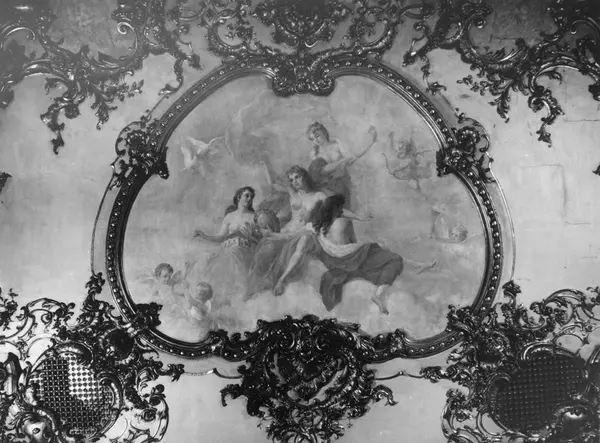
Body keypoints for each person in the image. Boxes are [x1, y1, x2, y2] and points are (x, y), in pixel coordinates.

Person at [245, 165, 328, 298]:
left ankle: (281, 280)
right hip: (286, 231)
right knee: (265, 249)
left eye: (297, 177)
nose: (294, 181)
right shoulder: (291, 192)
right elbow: (273, 184)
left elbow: (334, 207)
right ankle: (254, 287)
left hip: (302, 232)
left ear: (305, 176)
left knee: (299, 244)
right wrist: (265, 163)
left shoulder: (318, 195)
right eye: (291, 179)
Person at [190, 186, 258, 303]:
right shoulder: (229, 217)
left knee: (234, 266)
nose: (249, 199)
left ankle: (236, 299)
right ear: (239, 197)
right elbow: (220, 237)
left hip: (243, 251)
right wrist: (204, 236)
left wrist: (250, 235)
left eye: (251, 197)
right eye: (246, 196)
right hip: (227, 249)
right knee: (207, 259)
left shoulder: (253, 217)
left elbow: (259, 238)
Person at [306, 122, 377, 209]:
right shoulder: (314, 154)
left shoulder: (336, 143)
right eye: (312, 139)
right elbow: (319, 174)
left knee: (345, 209)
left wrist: (369, 143)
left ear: (324, 132)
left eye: (317, 136)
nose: (316, 140)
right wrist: (343, 161)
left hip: (342, 182)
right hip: (327, 187)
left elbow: (350, 159)